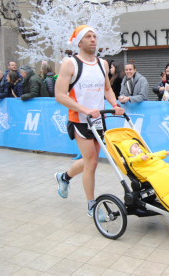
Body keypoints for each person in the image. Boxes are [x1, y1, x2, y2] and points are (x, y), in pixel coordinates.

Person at [54, 25, 124, 218]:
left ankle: (64, 177)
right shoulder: (70, 64)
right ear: (80, 42)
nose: (93, 39)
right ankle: (91, 205)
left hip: (98, 119)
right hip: (79, 119)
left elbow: (107, 89)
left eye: (94, 36)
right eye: (88, 37)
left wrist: (114, 104)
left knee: (89, 161)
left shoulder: (102, 64)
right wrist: (85, 110)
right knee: (92, 162)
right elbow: (59, 95)